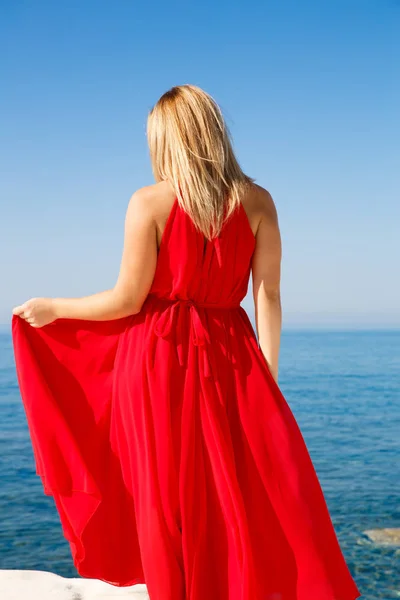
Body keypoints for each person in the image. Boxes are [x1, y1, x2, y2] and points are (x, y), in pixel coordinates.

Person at [11, 85, 361, 600]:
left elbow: (127, 300)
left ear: (166, 139)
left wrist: (55, 307)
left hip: (154, 361)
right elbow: (269, 296)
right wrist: (268, 375)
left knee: (164, 495)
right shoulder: (259, 202)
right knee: (242, 490)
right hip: (234, 358)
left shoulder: (149, 203)